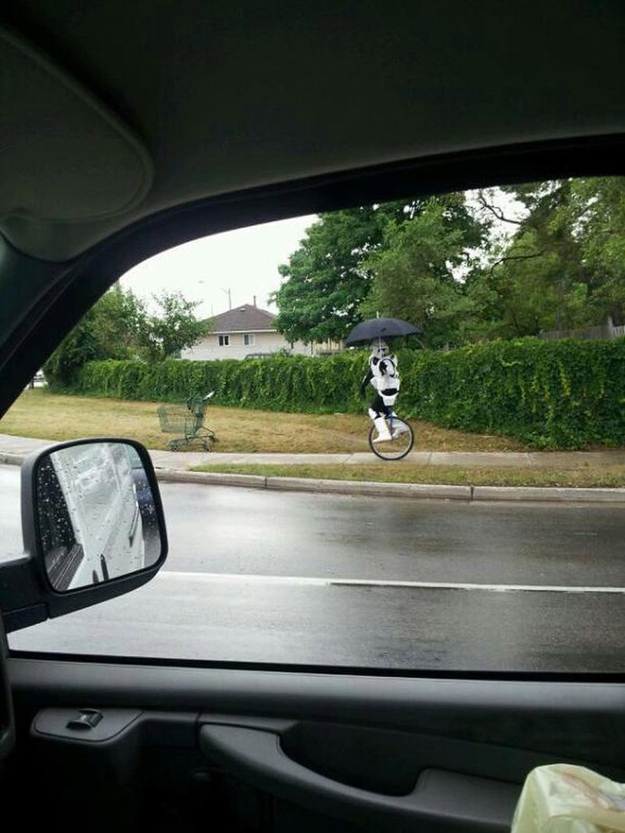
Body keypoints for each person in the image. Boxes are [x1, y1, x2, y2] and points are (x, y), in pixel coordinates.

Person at [360, 339, 403, 442]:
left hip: (388, 390)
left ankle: (384, 433)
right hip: (387, 389)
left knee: (373, 411)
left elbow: (392, 373)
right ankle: (400, 426)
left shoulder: (387, 360)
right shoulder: (375, 360)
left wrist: (385, 368)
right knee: (383, 411)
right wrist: (363, 386)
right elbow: (371, 373)